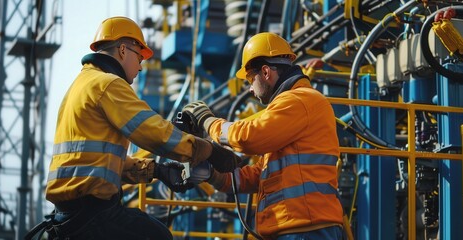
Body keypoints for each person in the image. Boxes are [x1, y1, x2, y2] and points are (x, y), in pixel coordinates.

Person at [39, 16, 241, 240]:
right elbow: (154, 133)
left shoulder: (80, 85)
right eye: (140, 56)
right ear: (123, 50)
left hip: (70, 216)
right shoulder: (108, 84)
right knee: (158, 236)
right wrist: (208, 150)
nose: (142, 66)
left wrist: (156, 171)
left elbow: (95, 161)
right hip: (93, 215)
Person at [183, 32, 344, 240]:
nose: (250, 89)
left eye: (250, 79)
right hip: (296, 227)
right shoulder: (288, 108)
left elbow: (247, 138)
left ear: (266, 72)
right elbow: (260, 175)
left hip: (306, 228)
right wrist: (213, 176)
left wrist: (208, 121)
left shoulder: (300, 100)